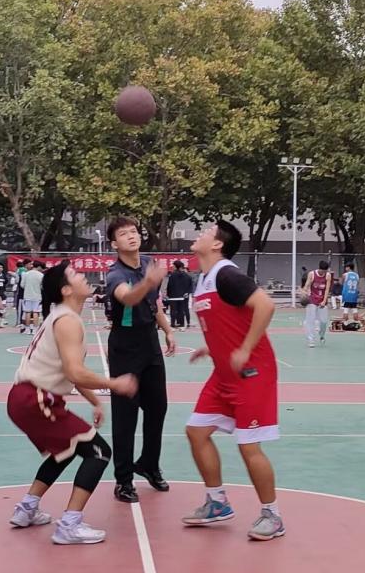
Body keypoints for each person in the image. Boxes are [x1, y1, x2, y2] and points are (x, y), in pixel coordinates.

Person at [6, 262, 138, 544]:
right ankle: (69, 524)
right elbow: (75, 372)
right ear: (66, 290)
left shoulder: (62, 316)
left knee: (65, 451)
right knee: (99, 452)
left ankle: (27, 508)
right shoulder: (67, 321)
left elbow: (70, 372)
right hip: (36, 399)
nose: (83, 276)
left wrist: (95, 401)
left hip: (26, 398)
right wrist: (114, 383)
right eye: (75, 275)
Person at [184, 221, 283, 540]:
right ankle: (217, 503)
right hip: (224, 372)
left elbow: (265, 305)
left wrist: (245, 348)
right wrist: (212, 347)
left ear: (217, 245)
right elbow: (227, 320)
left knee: (247, 444)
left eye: (206, 231)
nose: (200, 233)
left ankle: (272, 515)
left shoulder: (226, 274)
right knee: (196, 431)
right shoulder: (204, 279)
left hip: (251, 372)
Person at [105, 218, 177, 503]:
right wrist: (147, 281)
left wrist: (168, 330)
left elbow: (152, 302)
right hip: (125, 346)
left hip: (150, 342)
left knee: (158, 408)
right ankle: (123, 480)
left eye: (133, 231)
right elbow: (129, 298)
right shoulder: (115, 274)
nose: (131, 236)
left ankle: (149, 463)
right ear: (115, 244)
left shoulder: (148, 262)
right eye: (123, 234)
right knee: (125, 416)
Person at [300, 260, 331, 347]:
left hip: (322, 300)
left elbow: (327, 289)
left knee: (324, 321)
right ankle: (311, 340)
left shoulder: (328, 276)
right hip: (312, 300)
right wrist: (304, 292)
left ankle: (322, 335)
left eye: (325, 271)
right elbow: (307, 285)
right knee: (310, 320)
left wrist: (324, 301)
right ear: (319, 268)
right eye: (322, 271)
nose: (323, 272)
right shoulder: (312, 274)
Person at [165, 260, 193, 330]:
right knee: (181, 310)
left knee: (173, 310)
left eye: (173, 266)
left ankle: (173, 323)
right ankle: (181, 323)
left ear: (176, 266)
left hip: (173, 296)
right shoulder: (186, 276)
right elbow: (190, 285)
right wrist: (187, 292)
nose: (172, 267)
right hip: (182, 296)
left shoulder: (172, 275)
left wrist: (168, 294)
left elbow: (169, 285)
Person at [20, 261, 45, 335]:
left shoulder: (26, 274)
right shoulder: (41, 275)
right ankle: (35, 329)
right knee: (36, 312)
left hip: (27, 295)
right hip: (37, 296)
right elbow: (42, 286)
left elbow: (22, 285)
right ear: (38, 267)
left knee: (27, 312)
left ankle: (27, 329)